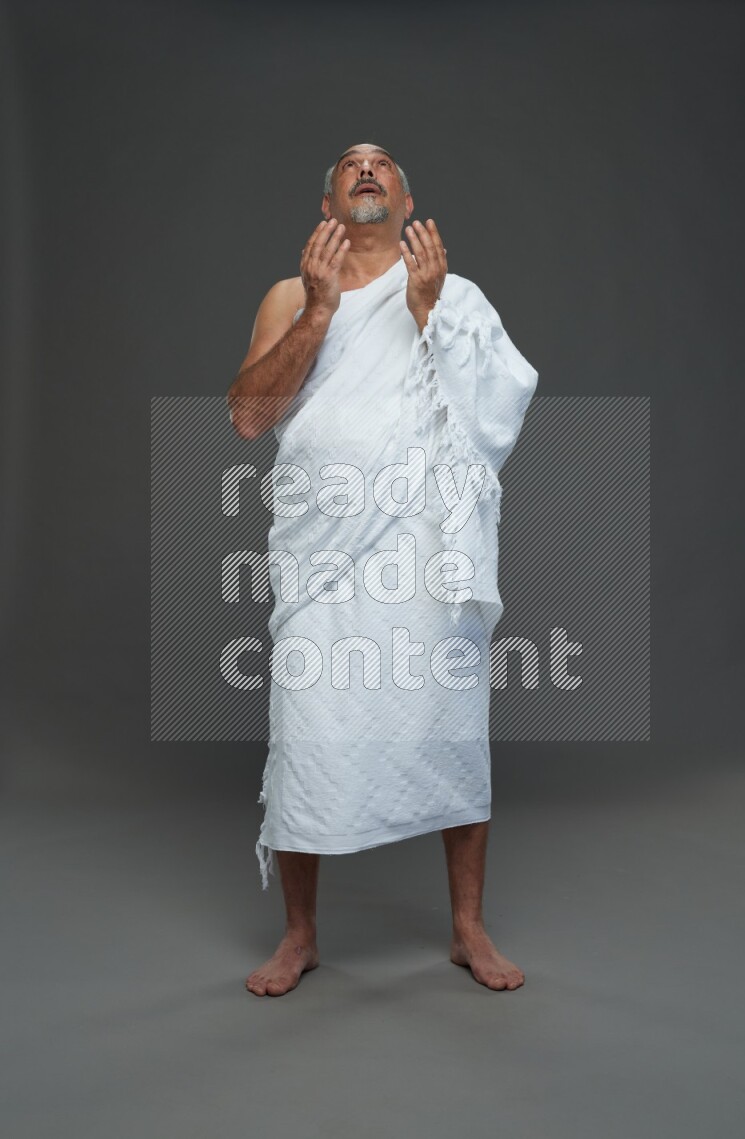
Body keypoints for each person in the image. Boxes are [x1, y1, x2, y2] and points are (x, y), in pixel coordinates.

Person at [227, 143, 538, 996]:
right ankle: (299, 935)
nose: (366, 168)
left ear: (405, 200)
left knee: (452, 729)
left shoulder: (453, 294)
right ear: (327, 203)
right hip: (322, 557)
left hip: (424, 553)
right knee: (307, 733)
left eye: (383, 163)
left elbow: (497, 416)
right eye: (349, 164)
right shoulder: (289, 295)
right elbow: (249, 417)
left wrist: (431, 312)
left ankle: (468, 928)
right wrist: (320, 312)